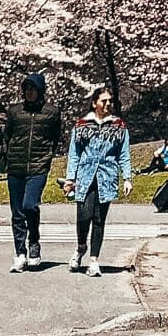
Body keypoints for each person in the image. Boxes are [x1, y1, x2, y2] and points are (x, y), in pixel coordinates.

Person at [61, 85, 132, 276]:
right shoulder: (82, 125)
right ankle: (81, 246)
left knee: (99, 219)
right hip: (85, 176)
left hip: (107, 176)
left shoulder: (118, 126)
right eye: (104, 101)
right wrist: (70, 178)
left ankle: (94, 260)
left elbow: (123, 153)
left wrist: (127, 177)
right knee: (83, 216)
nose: (108, 104)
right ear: (95, 103)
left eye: (110, 101)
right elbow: (74, 154)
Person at [3, 72, 65, 272]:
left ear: (40, 90)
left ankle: (34, 241)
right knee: (17, 212)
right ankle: (20, 252)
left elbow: (55, 138)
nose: (29, 92)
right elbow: (8, 136)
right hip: (16, 166)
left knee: (30, 205)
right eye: (26, 89)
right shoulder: (14, 112)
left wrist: (47, 156)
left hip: (38, 166)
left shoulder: (51, 113)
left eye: (33, 89)